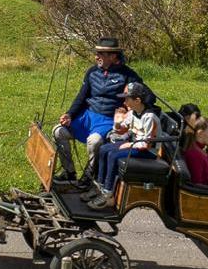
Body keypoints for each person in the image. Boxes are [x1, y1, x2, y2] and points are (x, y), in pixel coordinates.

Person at [52, 36, 145, 183]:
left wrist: (127, 110)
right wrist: (70, 114)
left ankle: (90, 176)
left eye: (101, 54)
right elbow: (81, 96)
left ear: (113, 56)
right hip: (88, 116)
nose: (96, 57)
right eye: (97, 53)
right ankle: (69, 172)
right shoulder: (92, 72)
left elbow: (146, 97)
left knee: (94, 141)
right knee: (58, 131)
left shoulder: (129, 75)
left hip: (108, 119)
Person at [87, 82, 158, 207]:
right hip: (135, 144)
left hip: (147, 151)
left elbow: (148, 144)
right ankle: (100, 185)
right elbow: (122, 130)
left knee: (113, 155)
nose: (124, 101)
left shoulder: (149, 117)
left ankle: (108, 194)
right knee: (104, 149)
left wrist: (129, 145)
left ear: (137, 100)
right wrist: (117, 123)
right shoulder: (133, 113)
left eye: (127, 98)